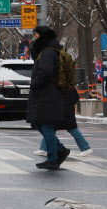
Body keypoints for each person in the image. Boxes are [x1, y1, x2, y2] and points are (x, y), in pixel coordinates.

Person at [26, 26, 71, 169]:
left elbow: (46, 72)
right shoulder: (48, 50)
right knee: (39, 123)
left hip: (47, 94)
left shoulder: (48, 52)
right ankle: (59, 150)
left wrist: (34, 83)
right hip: (47, 93)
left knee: (45, 124)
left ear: (43, 36)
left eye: (36, 35)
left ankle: (53, 157)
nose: (34, 38)